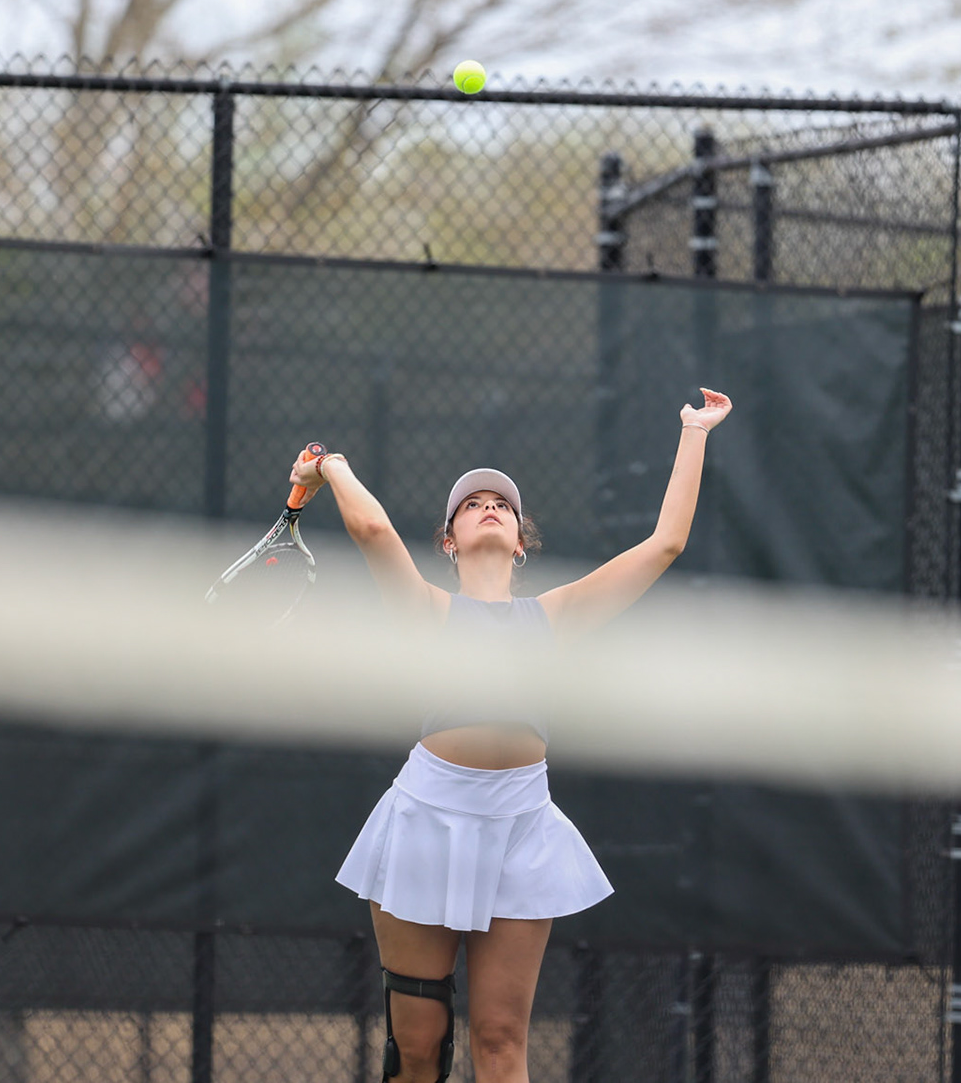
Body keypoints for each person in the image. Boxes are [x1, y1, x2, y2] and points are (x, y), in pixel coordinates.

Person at [288, 388, 733, 1083]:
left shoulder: (554, 616)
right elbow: (374, 533)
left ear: (520, 541)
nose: (489, 507)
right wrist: (332, 466)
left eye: (502, 505)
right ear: (449, 540)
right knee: (418, 1051)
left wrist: (695, 431)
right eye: (471, 504)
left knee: (500, 1045)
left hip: (522, 828)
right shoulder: (429, 609)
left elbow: (666, 543)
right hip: (425, 821)